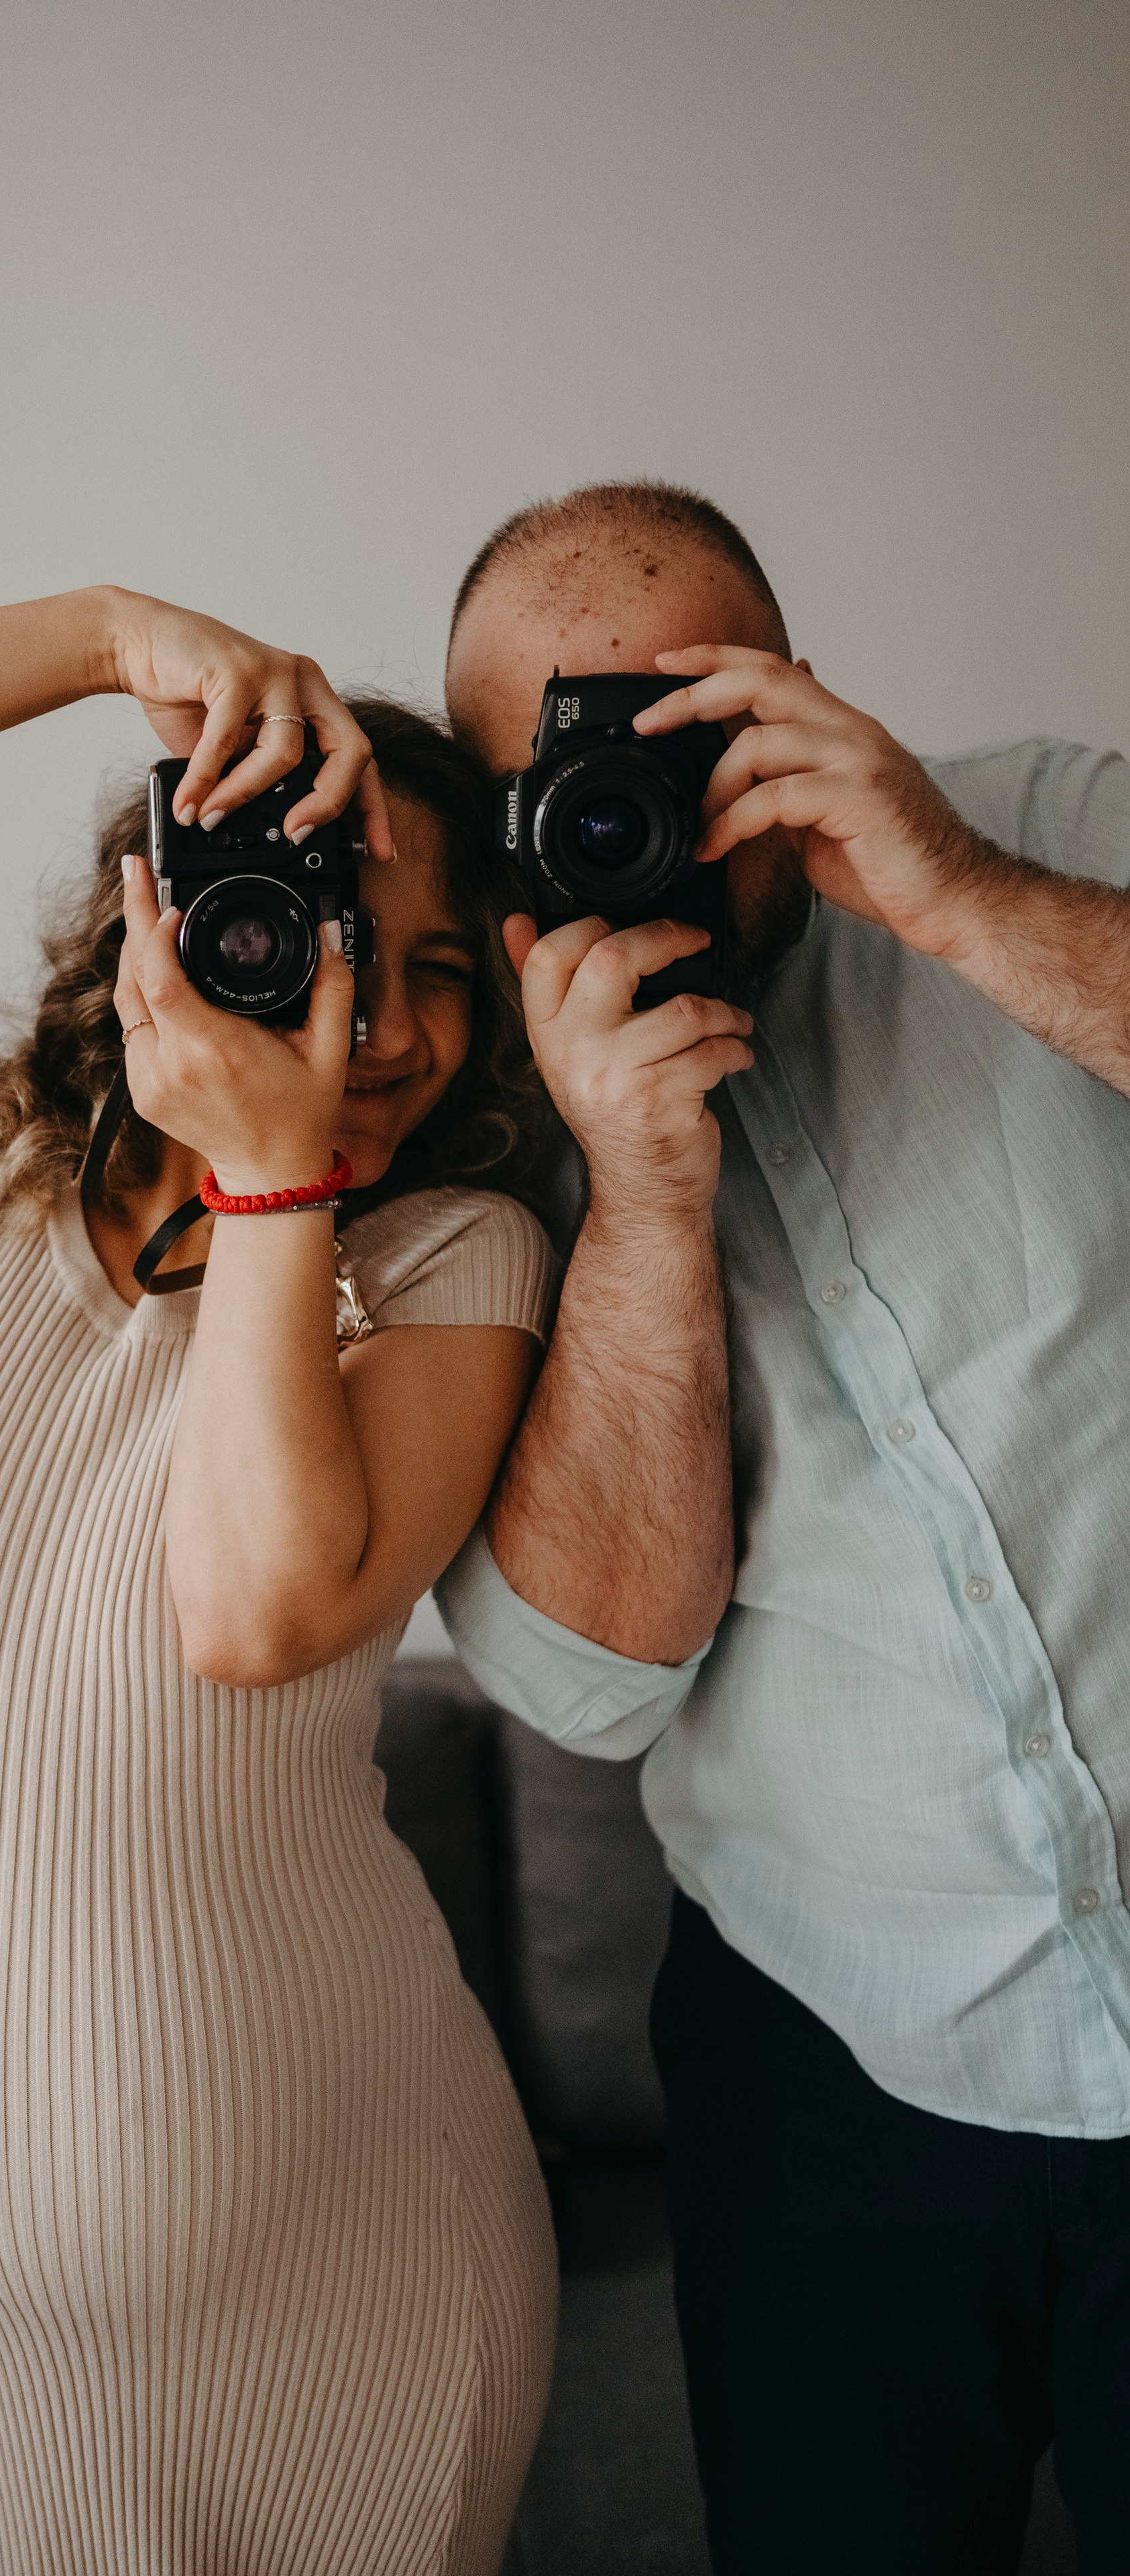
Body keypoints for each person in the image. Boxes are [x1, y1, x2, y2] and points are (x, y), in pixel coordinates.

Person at [0, 585, 563, 2575]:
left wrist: (275, 1181)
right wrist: (109, 638)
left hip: (351, 2288)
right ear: (173, 913)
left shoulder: (448, 1262)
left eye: (438, 972)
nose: (384, 1025)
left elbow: (256, 1613)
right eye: (324, 934)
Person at [437, 480, 1130, 2573]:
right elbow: (588, 1683)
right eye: (569, 768)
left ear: (800, 694)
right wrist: (641, 1198)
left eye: (689, 733)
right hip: (829, 2059)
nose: (636, 808)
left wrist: (961, 897)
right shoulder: (467, 1111)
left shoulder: (1046, 828)